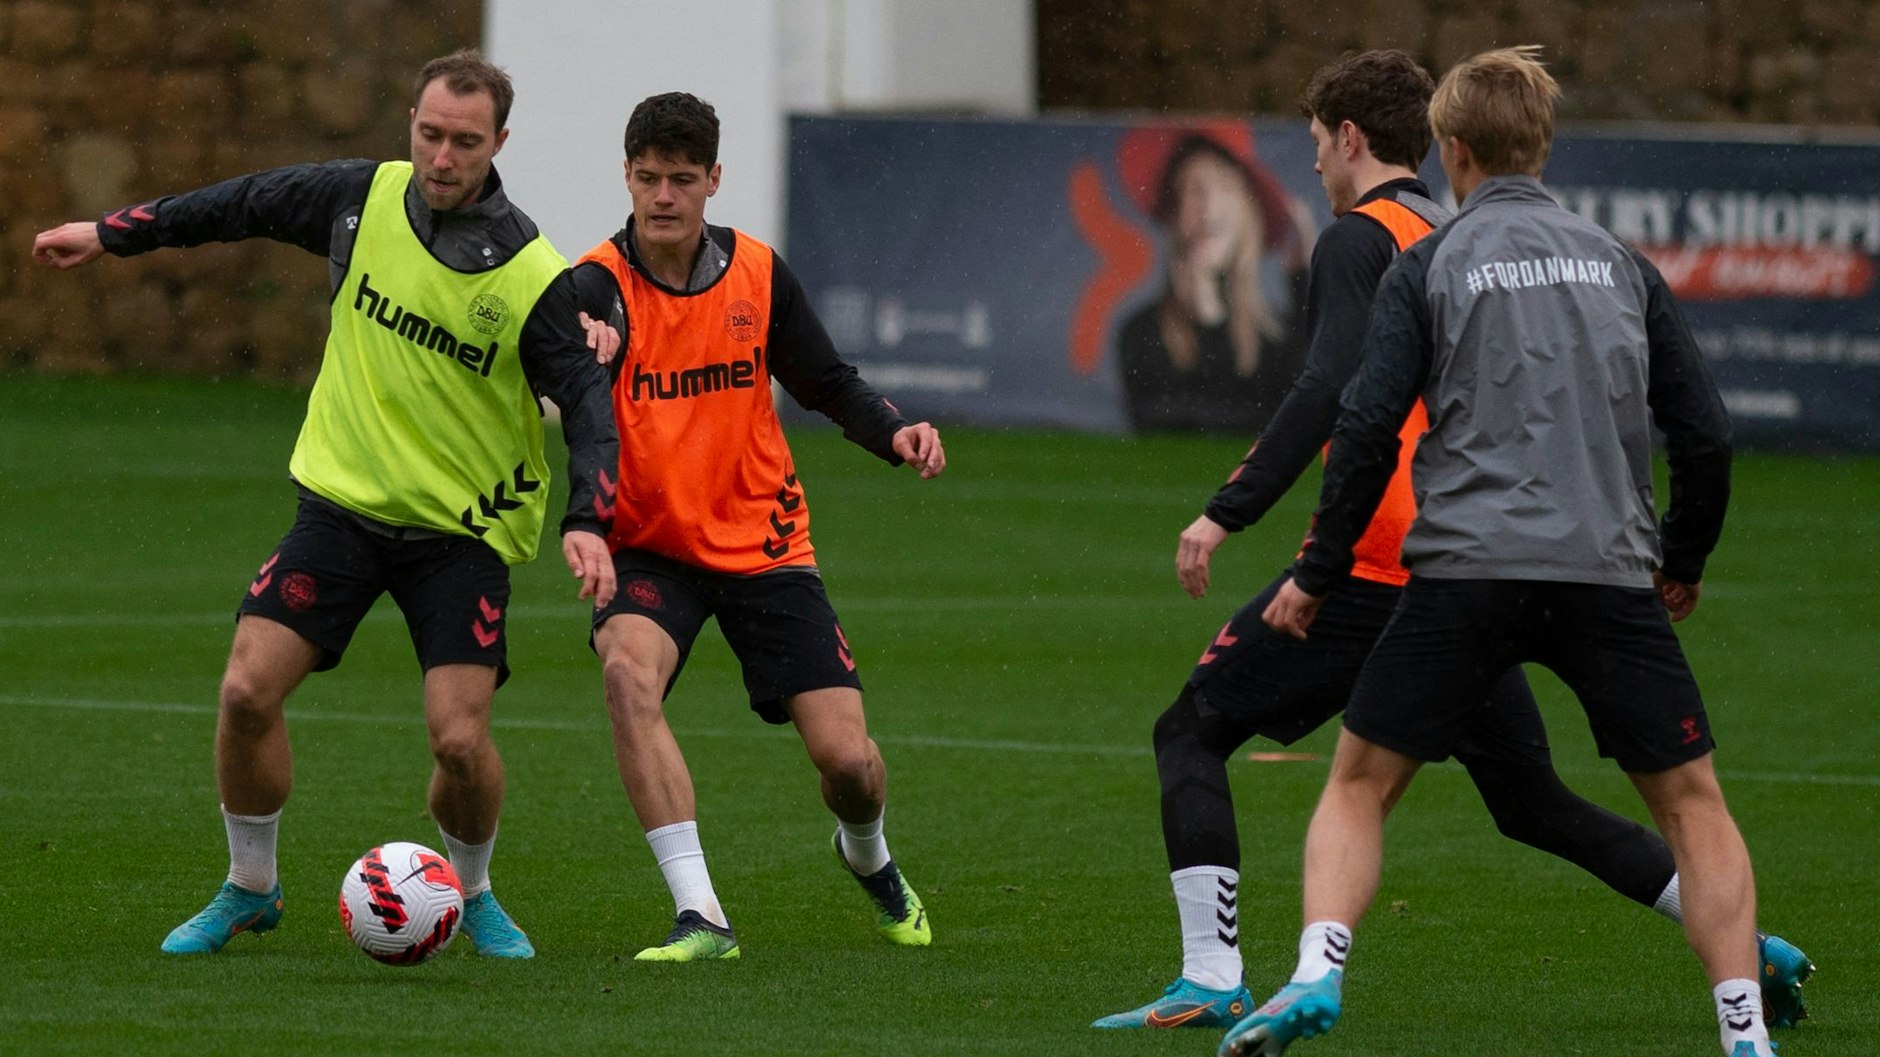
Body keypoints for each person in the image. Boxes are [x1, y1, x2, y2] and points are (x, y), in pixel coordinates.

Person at [1092, 49, 1810, 1037]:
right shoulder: (1513, 239)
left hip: (1418, 563)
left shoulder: (1370, 244)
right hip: (1561, 559)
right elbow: (1693, 427)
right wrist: (1676, 552)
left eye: (1313, 145)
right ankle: (1744, 956)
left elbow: (1340, 400)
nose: (1310, 167)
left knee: (1198, 730)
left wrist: (1241, 515)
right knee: (1534, 801)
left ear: (1359, 140)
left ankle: (1224, 973)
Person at [31, 49, 622, 959]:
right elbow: (242, 202)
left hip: (459, 535)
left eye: (465, 141)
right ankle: (249, 887)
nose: (441, 156)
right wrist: (114, 233)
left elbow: (586, 400)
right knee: (244, 691)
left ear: (499, 142)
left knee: (460, 742)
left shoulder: (532, 273)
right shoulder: (361, 197)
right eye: (429, 133)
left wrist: (587, 518)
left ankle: (475, 891)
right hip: (340, 510)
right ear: (412, 126)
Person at [566, 92, 945, 961]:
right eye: (649, 178)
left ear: (713, 181)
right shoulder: (595, 287)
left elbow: (826, 382)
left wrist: (895, 430)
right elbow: (566, 391)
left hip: (765, 546)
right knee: (627, 676)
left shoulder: (758, 274)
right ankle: (702, 913)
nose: (664, 196)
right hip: (650, 546)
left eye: (683, 179)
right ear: (626, 177)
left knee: (849, 764)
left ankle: (867, 855)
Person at [1115, 124, 1312, 434]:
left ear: (1249, 214)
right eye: (1194, 189)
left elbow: (1301, 410)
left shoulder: (1278, 335)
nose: (1208, 206)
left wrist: (1302, 282)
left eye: (1224, 187)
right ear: (1174, 211)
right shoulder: (1140, 333)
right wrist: (1203, 312)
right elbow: (1159, 417)